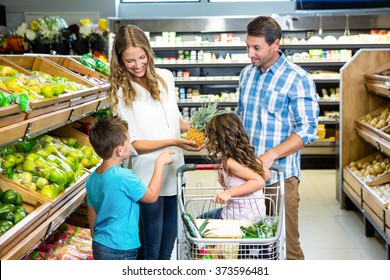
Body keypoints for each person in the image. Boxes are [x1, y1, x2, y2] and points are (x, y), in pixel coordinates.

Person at [107, 25, 202, 260]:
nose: (138, 65)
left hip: (175, 172)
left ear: (149, 52)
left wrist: (198, 128)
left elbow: (175, 119)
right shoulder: (120, 91)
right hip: (146, 178)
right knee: (150, 250)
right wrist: (173, 142)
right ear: (119, 60)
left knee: (167, 246)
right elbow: (133, 144)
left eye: (142, 57)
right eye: (130, 61)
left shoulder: (166, 77)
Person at [237, 16, 319, 260]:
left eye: (256, 48)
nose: (250, 53)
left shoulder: (298, 79)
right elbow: (241, 119)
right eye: (247, 46)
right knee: (249, 245)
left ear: (275, 44)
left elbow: (307, 129)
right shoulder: (246, 75)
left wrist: (271, 155)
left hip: (280, 180)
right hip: (246, 178)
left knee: (287, 248)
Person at [86, 116, 174, 260]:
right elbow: (151, 196)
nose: (130, 143)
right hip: (122, 247)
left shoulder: (92, 178)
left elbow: (91, 215)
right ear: (119, 150)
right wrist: (160, 163)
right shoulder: (124, 176)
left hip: (100, 244)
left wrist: (98, 240)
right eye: (128, 140)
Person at [201, 112, 271, 222]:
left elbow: (260, 182)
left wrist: (229, 192)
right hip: (256, 215)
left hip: (237, 218)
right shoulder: (247, 156)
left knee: (199, 221)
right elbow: (267, 175)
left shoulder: (230, 162)